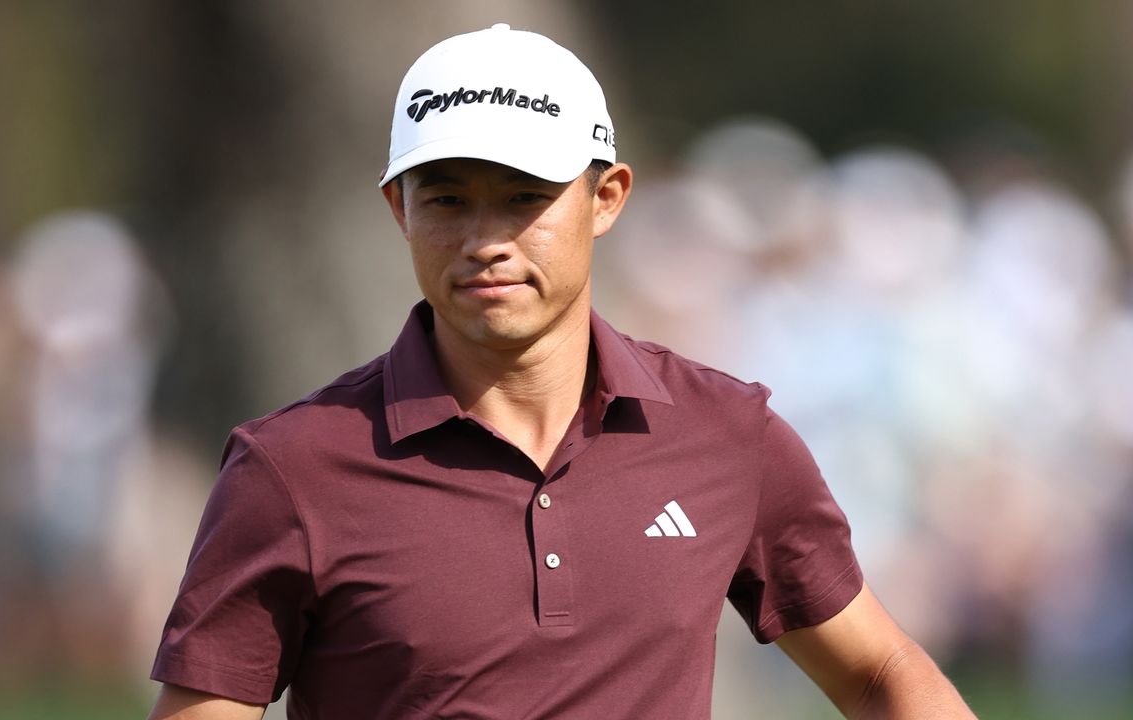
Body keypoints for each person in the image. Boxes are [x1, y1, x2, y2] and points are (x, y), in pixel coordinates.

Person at [147, 23, 975, 719]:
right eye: (445, 199)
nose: (485, 241)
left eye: (523, 198)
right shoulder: (292, 467)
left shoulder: (727, 435)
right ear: (398, 208)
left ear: (607, 197)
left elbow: (879, 674)